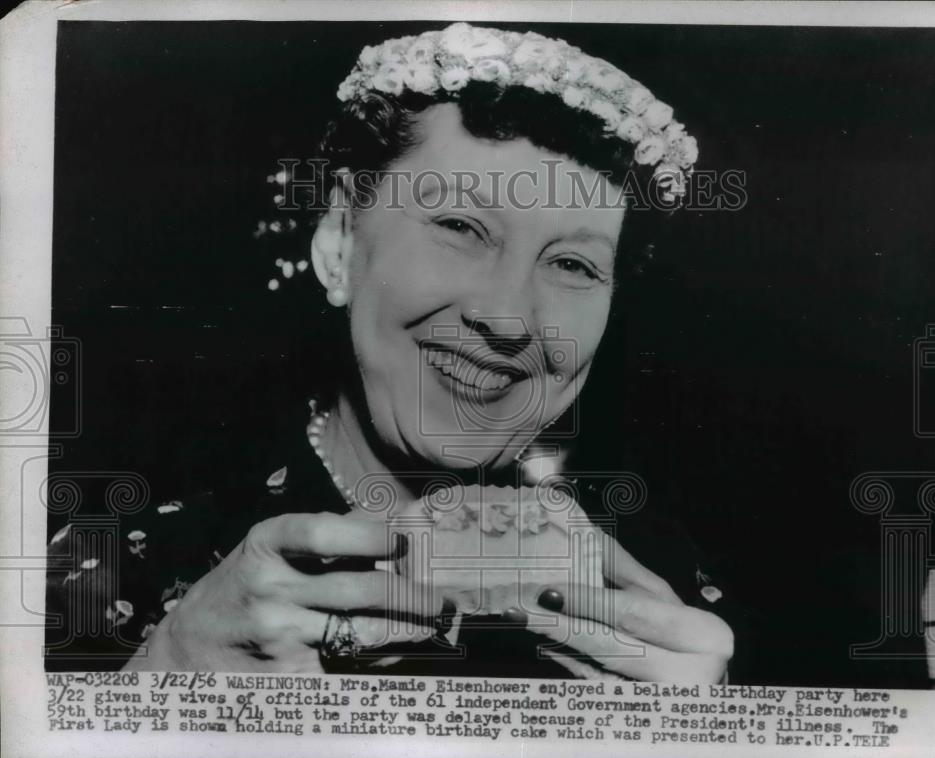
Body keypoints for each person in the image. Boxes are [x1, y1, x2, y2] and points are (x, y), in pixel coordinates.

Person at [46, 23, 735, 681]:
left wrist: (699, 743)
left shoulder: (667, 585)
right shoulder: (108, 559)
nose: (509, 317)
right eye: (461, 226)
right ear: (341, 240)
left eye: (575, 265)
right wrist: (159, 679)